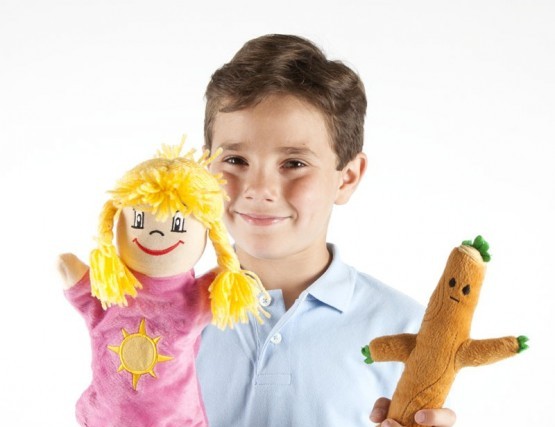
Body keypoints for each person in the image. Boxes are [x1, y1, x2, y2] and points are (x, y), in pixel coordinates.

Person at [195, 34, 457, 427]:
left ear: (347, 177)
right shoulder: (166, 322)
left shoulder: (406, 331)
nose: (259, 189)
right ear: (205, 171)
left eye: (294, 164)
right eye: (234, 160)